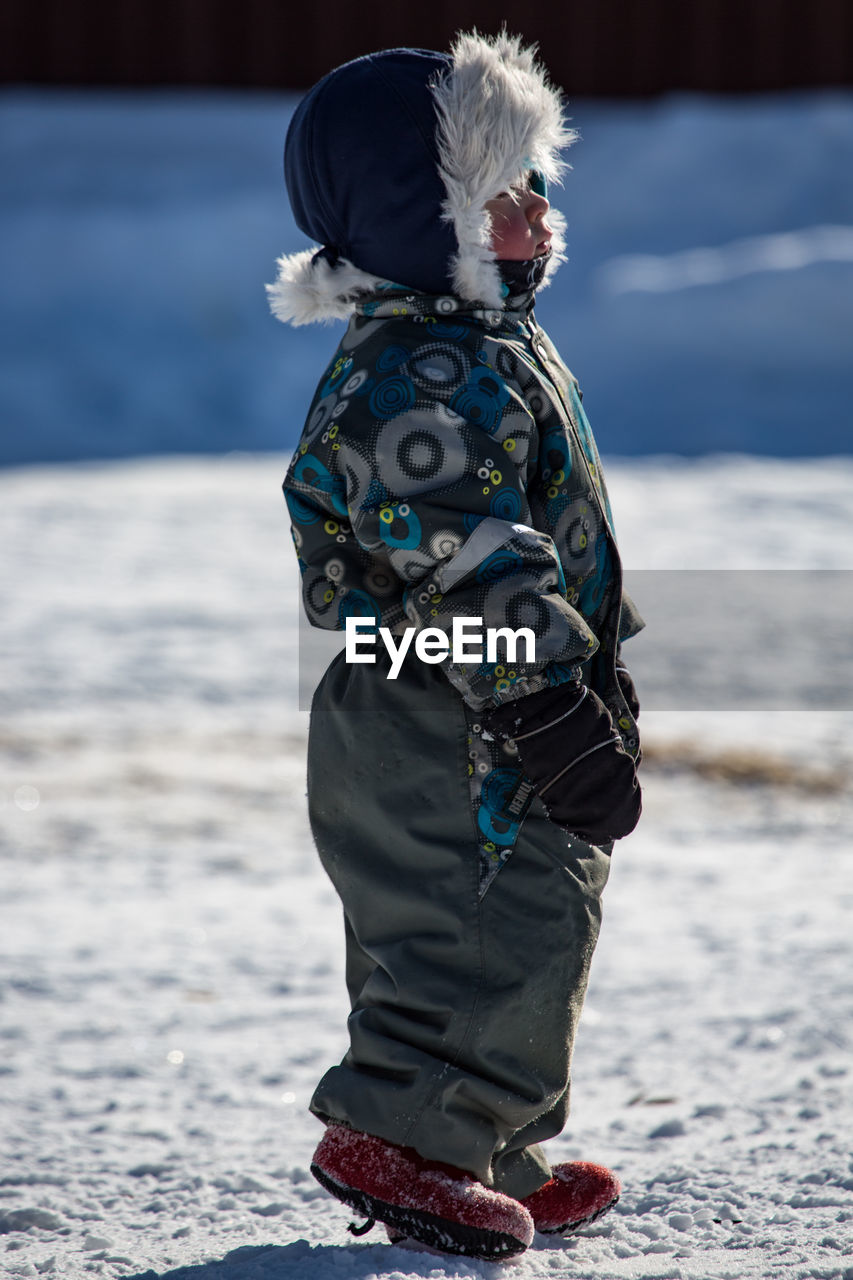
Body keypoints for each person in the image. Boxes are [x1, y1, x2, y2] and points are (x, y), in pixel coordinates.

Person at [267, 30, 644, 1261]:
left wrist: (594, 668)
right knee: (474, 919)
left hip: (487, 696)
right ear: (421, 218)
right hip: (444, 710)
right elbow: (467, 549)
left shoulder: (475, 344)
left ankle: (487, 1138)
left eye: (537, 180)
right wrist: (541, 697)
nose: (535, 208)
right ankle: (402, 1134)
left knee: (535, 907)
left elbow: (554, 523)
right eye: (501, 188)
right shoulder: (419, 374)